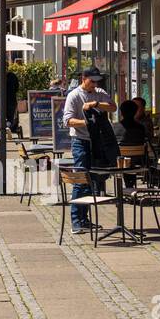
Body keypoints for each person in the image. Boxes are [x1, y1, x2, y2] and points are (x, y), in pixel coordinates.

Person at [61, 66, 116, 236]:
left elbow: (113, 107)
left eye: (97, 81)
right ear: (83, 78)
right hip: (80, 141)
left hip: (97, 141)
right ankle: (76, 221)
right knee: (81, 179)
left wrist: (97, 104)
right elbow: (67, 121)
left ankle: (84, 219)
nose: (94, 84)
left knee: (92, 180)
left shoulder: (99, 92)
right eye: (92, 81)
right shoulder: (74, 95)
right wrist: (87, 123)